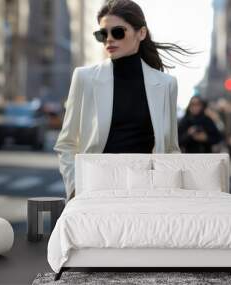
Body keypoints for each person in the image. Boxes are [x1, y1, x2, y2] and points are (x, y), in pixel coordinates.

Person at [53, 0, 190, 201]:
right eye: (102, 34)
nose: (109, 39)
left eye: (118, 32)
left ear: (141, 33)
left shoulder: (166, 85)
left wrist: (171, 196)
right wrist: (76, 189)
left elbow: (170, 149)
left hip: (149, 192)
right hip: (96, 191)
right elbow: (66, 144)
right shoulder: (84, 78)